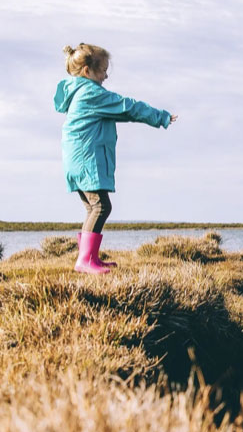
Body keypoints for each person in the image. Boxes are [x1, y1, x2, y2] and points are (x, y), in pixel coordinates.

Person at [54, 43, 177, 274]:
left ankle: (90, 258)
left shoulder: (78, 92)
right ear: (87, 72)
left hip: (76, 161)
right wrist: (160, 116)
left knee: (93, 208)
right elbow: (126, 107)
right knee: (101, 206)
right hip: (86, 160)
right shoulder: (91, 93)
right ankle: (85, 260)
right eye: (102, 71)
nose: (106, 75)